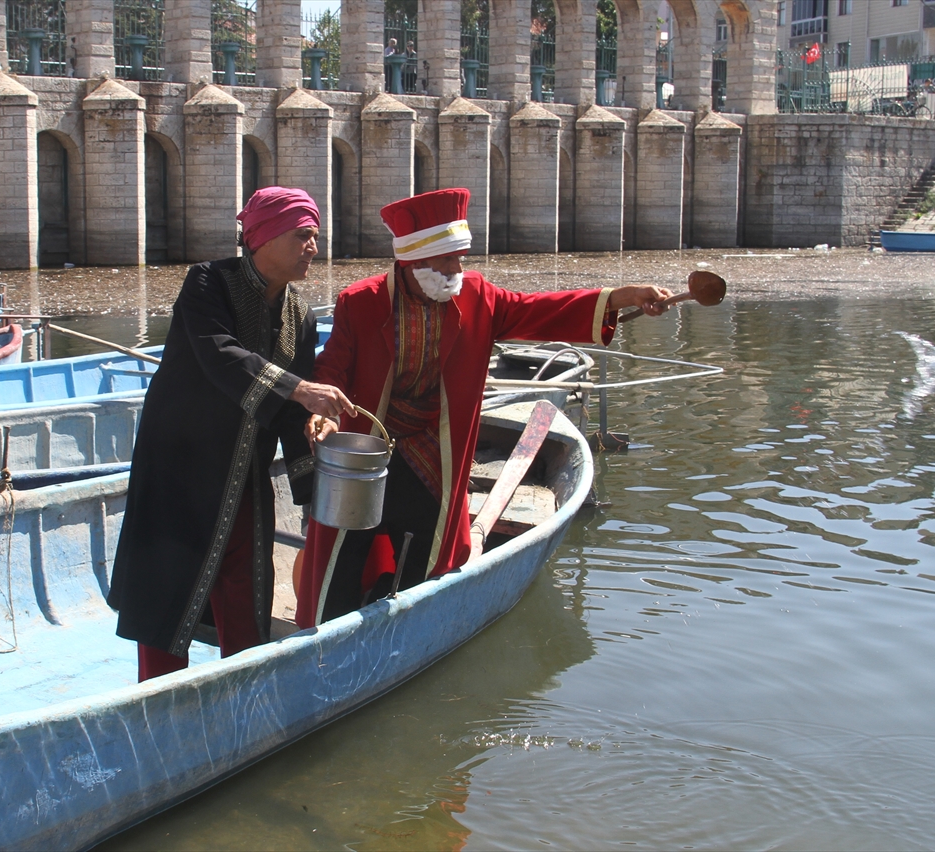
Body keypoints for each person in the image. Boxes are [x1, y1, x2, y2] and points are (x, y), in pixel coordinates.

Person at [293, 189, 671, 628]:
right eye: (449, 259)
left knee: (425, 553)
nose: (458, 269)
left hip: (436, 452)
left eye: (461, 258)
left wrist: (621, 297)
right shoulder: (362, 301)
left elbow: (538, 310)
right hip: (368, 450)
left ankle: (400, 620)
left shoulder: (476, 295)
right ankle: (323, 636)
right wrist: (324, 411)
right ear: (416, 259)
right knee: (343, 550)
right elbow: (333, 367)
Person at [107, 187, 355, 682]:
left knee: (246, 585)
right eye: (303, 235)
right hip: (180, 469)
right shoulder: (207, 283)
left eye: (315, 236)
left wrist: (312, 433)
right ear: (263, 238)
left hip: (245, 474)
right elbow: (220, 354)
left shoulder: (300, 314)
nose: (313, 246)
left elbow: (289, 408)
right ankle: (158, 696)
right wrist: (300, 388)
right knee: (169, 586)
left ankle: (243, 686)